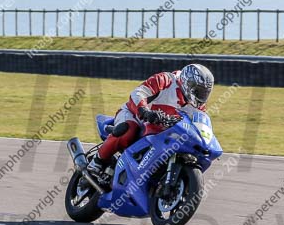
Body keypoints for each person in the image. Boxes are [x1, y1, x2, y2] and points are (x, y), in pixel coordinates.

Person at [86, 63, 214, 176]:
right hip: (134, 115)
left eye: (205, 93)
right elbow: (138, 93)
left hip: (161, 129)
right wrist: (145, 111)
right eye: (199, 92)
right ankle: (97, 161)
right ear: (188, 84)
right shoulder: (166, 80)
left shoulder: (198, 106)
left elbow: (198, 124)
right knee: (128, 130)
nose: (201, 96)